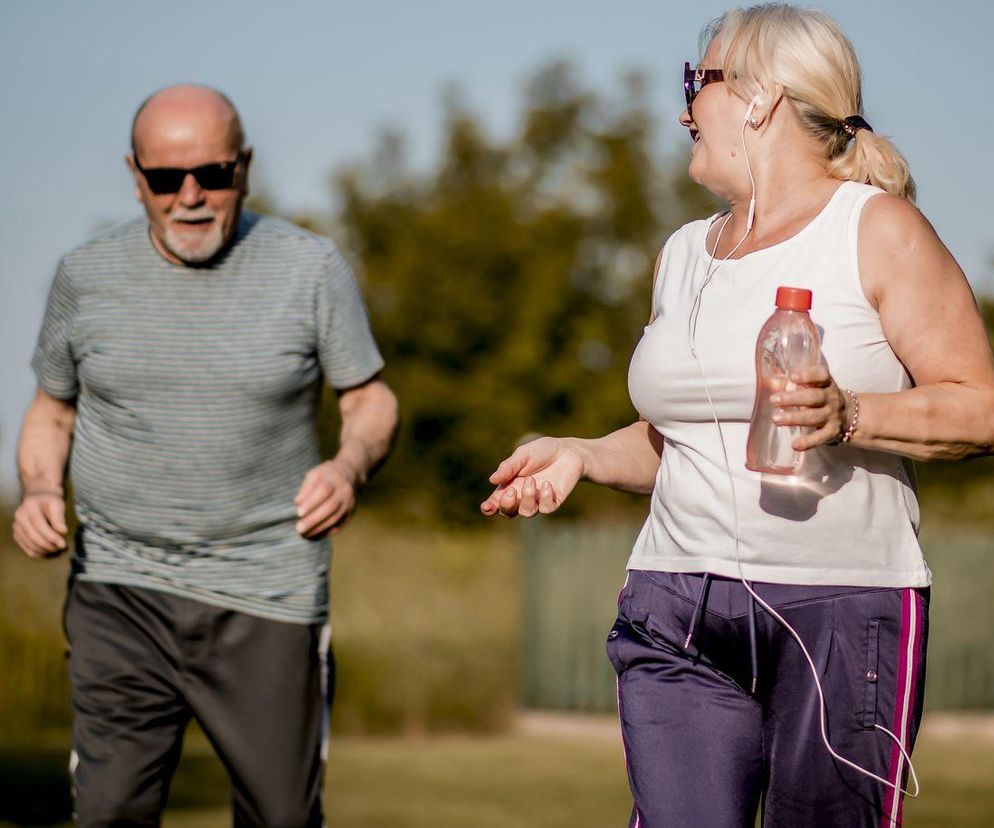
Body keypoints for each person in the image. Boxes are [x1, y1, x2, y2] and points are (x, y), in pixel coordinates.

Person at [482, 4, 994, 826]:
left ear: (760, 98)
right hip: (673, 601)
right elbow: (682, 441)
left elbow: (980, 408)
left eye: (699, 82)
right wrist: (580, 453)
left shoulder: (876, 229)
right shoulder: (685, 252)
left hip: (838, 607)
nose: (684, 109)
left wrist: (850, 412)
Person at [13, 84, 398, 827]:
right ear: (136, 177)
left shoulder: (309, 267)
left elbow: (370, 400)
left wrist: (348, 467)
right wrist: (36, 489)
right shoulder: (84, 277)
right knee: (110, 811)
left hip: (267, 594)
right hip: (119, 590)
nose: (190, 197)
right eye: (165, 179)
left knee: (281, 817)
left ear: (244, 167)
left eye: (213, 175)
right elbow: (50, 413)